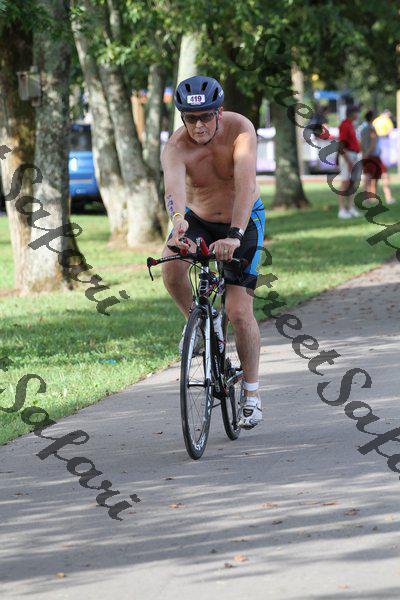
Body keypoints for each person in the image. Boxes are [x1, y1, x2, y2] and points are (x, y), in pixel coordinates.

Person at [161, 75, 266, 429]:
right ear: (182, 118)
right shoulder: (176, 147)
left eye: (206, 116)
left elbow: (246, 186)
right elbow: (174, 193)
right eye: (191, 119)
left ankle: (251, 393)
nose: (199, 126)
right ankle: (199, 326)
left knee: (238, 311)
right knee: (171, 265)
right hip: (200, 218)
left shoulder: (241, 130)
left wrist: (235, 236)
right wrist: (178, 224)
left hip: (243, 219)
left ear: (219, 112)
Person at [358, 110, 396, 205]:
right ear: (372, 118)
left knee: (369, 176)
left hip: (367, 156)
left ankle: (369, 198)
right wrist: (368, 153)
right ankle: (388, 197)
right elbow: (373, 143)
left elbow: (361, 143)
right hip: (373, 156)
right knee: (383, 175)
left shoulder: (362, 129)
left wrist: (364, 153)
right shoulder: (371, 129)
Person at [337, 106, 362, 219]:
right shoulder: (345, 125)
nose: (358, 115)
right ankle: (342, 209)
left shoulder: (351, 125)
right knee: (345, 182)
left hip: (354, 155)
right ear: (352, 113)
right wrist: (348, 161)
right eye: (357, 112)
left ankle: (351, 208)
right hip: (347, 155)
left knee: (353, 182)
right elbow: (341, 146)